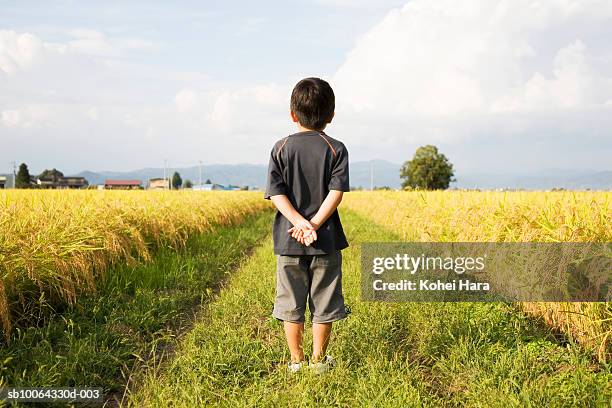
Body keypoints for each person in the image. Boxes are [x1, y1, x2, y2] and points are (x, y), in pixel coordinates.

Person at [264, 77, 350, 374]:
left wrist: (299, 222)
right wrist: (313, 223)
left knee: (291, 302)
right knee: (324, 301)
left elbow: (277, 193)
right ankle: (318, 361)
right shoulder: (336, 148)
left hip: (289, 239)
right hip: (325, 240)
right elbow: (336, 194)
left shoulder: (281, 147)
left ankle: (296, 361)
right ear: (331, 116)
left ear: (292, 114)